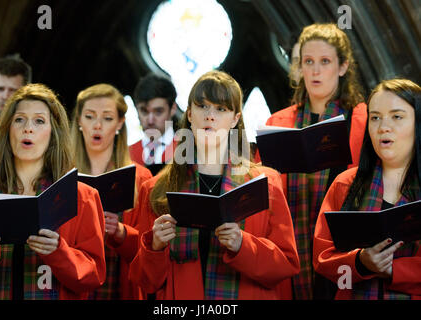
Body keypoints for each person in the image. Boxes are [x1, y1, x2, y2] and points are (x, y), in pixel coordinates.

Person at [129, 70, 300, 300]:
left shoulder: (264, 182)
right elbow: (145, 283)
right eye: (203, 106)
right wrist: (155, 246)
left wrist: (243, 245)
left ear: (235, 119)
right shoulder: (157, 189)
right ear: (190, 114)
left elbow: (286, 266)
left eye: (221, 109)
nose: (210, 116)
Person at [256, 23, 368, 299]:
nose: (315, 71)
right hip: (292, 243)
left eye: (325, 61)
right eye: (308, 62)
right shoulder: (278, 122)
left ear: (342, 67)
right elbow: (263, 191)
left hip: (343, 247)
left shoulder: (363, 120)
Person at [0, 84, 106, 300]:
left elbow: (93, 277)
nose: (28, 128)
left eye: (39, 121)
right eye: (19, 119)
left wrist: (58, 251)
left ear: (54, 134)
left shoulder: (83, 197)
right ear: (7, 130)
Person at [313, 78, 421, 299]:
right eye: (375, 118)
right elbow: (322, 260)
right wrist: (359, 263)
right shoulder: (345, 185)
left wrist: (395, 270)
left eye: (397, 116)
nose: (383, 127)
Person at [70, 83, 152, 299]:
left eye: (107, 118)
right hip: (75, 284)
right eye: (89, 116)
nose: (97, 125)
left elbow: (151, 250)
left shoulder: (141, 179)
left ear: (119, 124)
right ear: (79, 120)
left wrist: (121, 232)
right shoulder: (61, 175)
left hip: (120, 284)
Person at [129, 73, 179, 174]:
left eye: (158, 112)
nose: (150, 120)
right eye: (144, 111)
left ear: (173, 109)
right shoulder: (126, 155)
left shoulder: (188, 153)